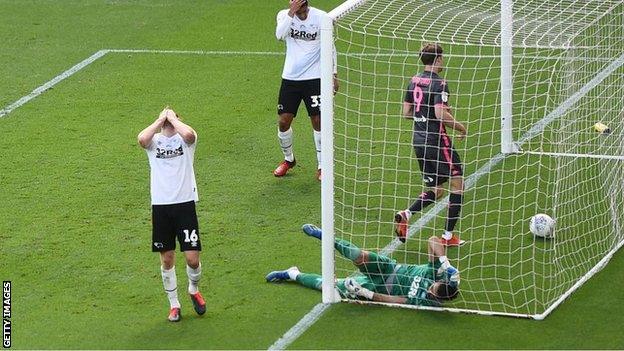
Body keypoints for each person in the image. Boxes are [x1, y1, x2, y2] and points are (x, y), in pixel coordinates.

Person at [266, 224, 460, 306]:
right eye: (432, 286)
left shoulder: (426, 302)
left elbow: (395, 301)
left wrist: (366, 294)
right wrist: (446, 262)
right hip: (388, 268)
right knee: (357, 254)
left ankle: (292, 274)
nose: (429, 290)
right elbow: (433, 240)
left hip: (379, 287)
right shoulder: (436, 272)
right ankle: (323, 235)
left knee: (329, 286)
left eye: (432, 291)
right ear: (439, 281)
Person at [394, 43, 468, 246]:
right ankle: (447, 237)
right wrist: (461, 127)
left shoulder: (413, 80)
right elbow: (440, 114)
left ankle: (406, 214)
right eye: (442, 58)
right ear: (437, 60)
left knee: (437, 189)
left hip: (418, 140)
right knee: (458, 184)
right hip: (437, 140)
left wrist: (424, 116)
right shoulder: (440, 83)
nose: (443, 61)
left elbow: (407, 113)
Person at [138, 107, 206, 322]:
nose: (168, 119)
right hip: (161, 207)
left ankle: (193, 289)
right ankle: (174, 304)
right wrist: (160, 119)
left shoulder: (186, 142)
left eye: (172, 116)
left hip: (185, 205)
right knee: (167, 259)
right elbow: (141, 139)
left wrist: (173, 119)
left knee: (192, 259)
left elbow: (189, 134)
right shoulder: (154, 142)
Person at [273, 0, 338, 181]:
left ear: (306, 3)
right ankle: (289, 160)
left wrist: (333, 74)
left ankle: (321, 166)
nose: (298, 8)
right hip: (290, 78)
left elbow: (330, 47)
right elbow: (280, 35)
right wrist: (290, 13)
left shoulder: (321, 18)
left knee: (317, 120)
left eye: (300, 4)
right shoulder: (284, 15)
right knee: (283, 122)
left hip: (314, 78)